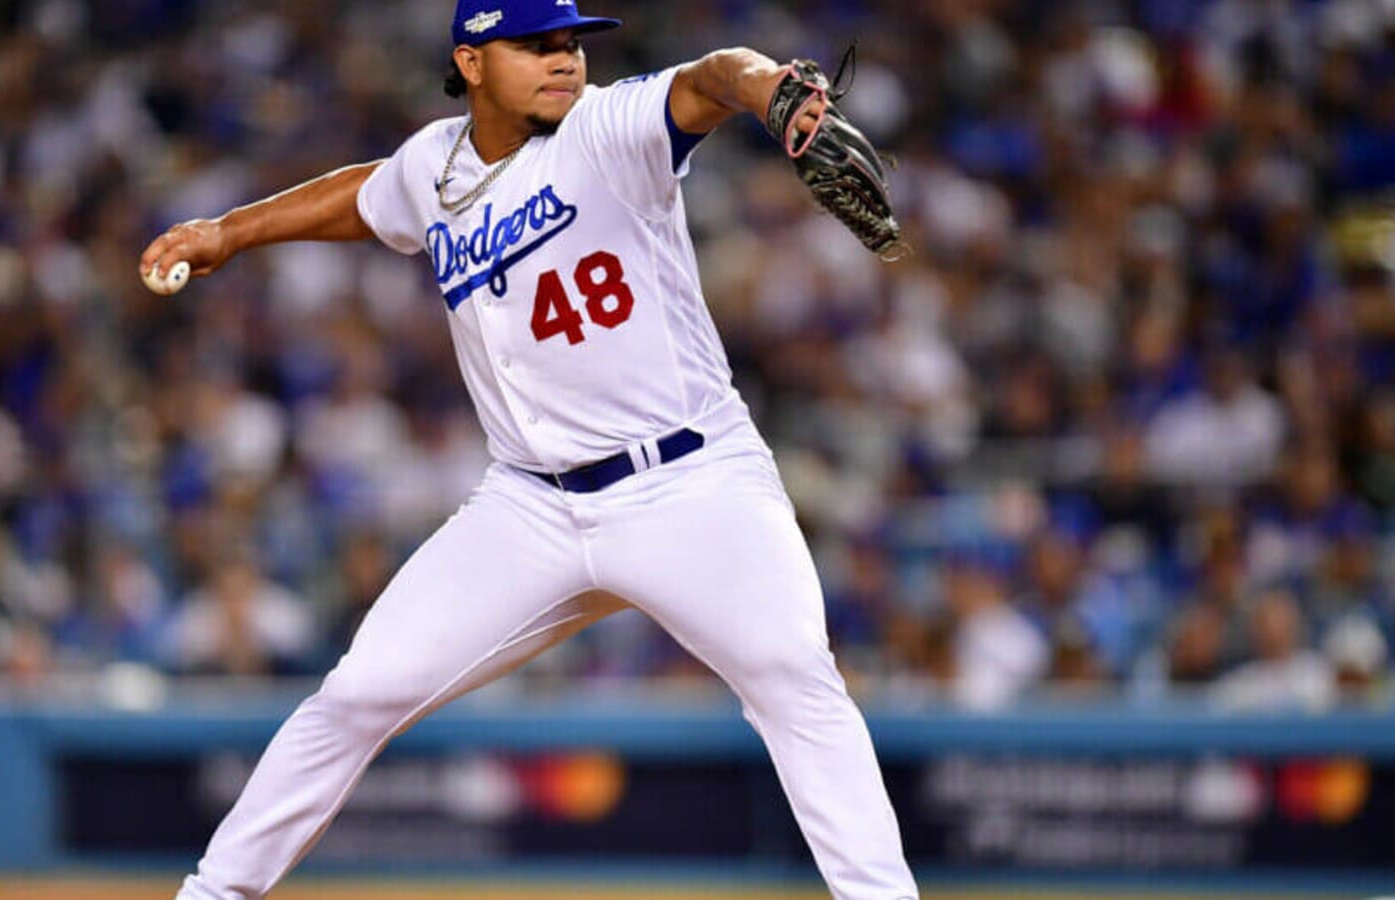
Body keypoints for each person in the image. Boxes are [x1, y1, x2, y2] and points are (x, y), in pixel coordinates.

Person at [140, 2, 918, 897]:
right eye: (535, 45)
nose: (564, 60)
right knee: (357, 694)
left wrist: (768, 87)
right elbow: (365, 196)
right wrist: (229, 232)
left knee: (794, 682)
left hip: (690, 483)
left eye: (571, 43)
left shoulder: (607, 129)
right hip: (529, 508)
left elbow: (709, 79)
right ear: (471, 62)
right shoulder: (433, 165)